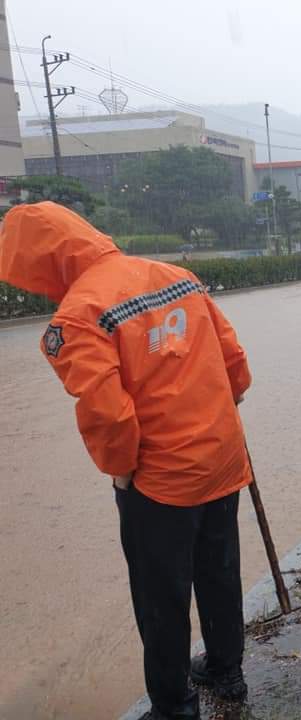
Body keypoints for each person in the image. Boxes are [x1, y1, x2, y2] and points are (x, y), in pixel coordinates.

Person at [0, 202, 253, 719]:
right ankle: (227, 671)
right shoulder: (177, 276)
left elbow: (108, 414)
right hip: (224, 459)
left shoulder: (78, 314)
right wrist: (222, 414)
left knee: (161, 597)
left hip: (160, 481)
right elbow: (234, 364)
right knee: (219, 570)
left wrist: (122, 471)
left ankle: (174, 706)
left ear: (45, 262)